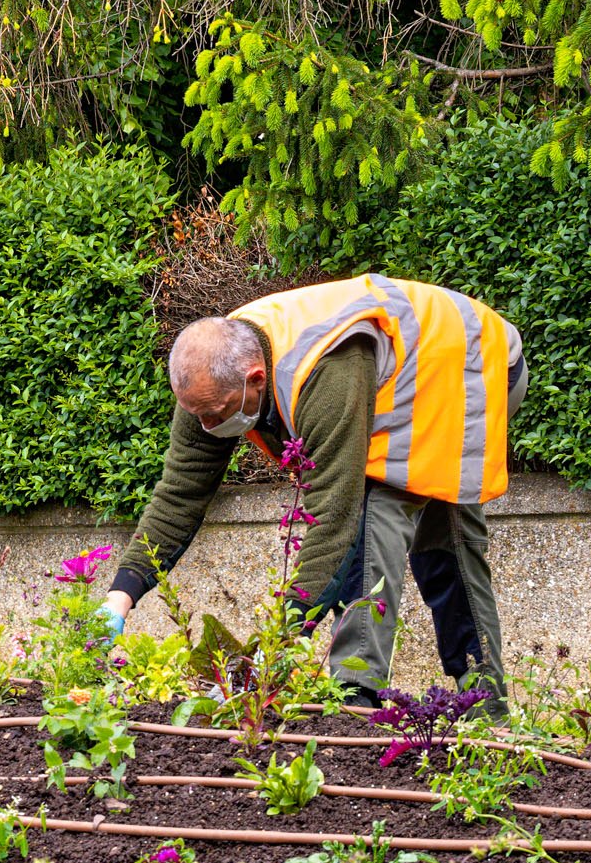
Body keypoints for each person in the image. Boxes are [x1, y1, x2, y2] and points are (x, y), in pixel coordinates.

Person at [99, 275, 525, 702]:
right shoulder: (210, 376)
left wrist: (277, 648)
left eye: (217, 413)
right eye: (199, 416)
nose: (209, 428)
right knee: (391, 519)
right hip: (402, 370)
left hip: (467, 361)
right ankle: (468, 698)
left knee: (390, 518)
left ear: (256, 378)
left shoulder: (323, 374)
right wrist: (120, 596)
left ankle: (366, 696)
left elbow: (333, 517)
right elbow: (179, 493)